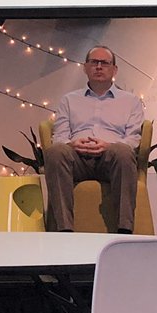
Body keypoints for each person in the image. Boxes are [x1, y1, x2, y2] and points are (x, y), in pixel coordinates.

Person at [43, 45, 145, 234]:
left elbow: (133, 139)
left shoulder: (131, 101)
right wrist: (71, 144)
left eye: (104, 63)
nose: (99, 67)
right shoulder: (69, 100)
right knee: (55, 152)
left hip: (111, 159)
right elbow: (59, 136)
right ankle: (64, 230)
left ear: (114, 69)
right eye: (94, 62)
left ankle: (124, 230)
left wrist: (109, 146)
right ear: (85, 67)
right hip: (77, 159)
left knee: (123, 151)